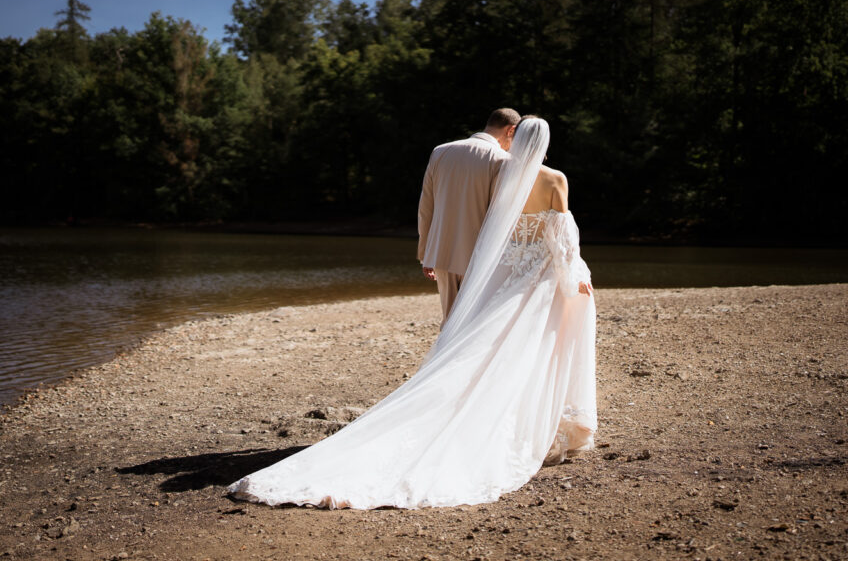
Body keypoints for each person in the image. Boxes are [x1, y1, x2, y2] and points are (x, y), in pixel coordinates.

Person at [226, 117, 595, 509]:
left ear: (514, 139)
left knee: (485, 346)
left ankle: (492, 415)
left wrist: (433, 252)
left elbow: (462, 215)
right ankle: (540, 424)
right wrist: (575, 278)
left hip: (503, 271)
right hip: (536, 275)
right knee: (536, 347)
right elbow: (563, 239)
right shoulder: (555, 179)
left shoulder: (500, 172)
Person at [417, 109, 518, 321]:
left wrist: (426, 251)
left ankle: (445, 354)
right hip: (480, 255)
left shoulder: (440, 151)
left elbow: (426, 206)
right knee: (474, 322)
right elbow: (499, 214)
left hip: (442, 252)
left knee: (450, 319)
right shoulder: (502, 159)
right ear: (511, 130)